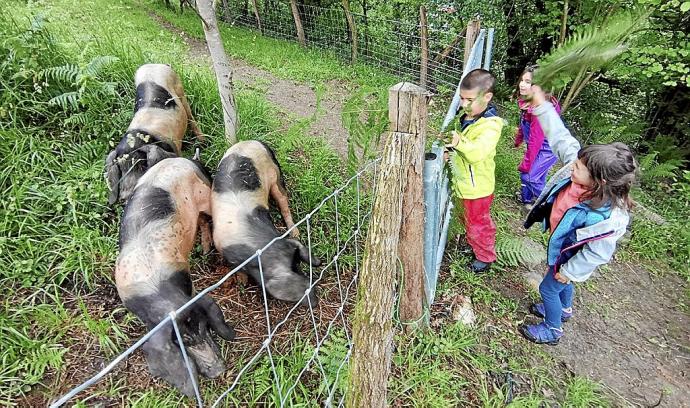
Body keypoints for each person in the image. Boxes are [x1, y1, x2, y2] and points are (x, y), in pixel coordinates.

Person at [519, 85, 637, 345]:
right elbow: (560, 137)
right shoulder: (580, 170)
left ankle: (552, 329)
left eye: (579, 167)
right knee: (559, 277)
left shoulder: (605, 219)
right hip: (562, 246)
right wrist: (540, 105)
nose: (572, 166)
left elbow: (597, 253)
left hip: (571, 254)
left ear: (600, 181)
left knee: (549, 286)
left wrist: (571, 271)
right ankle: (564, 309)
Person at [445, 69, 504, 273]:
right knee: (468, 220)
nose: (463, 104)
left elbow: (477, 152)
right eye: (461, 98)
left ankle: (485, 257)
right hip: (464, 185)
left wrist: (458, 141)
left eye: (469, 99)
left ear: (487, 97)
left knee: (479, 224)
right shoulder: (470, 116)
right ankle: (474, 244)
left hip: (477, 189)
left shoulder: (491, 127)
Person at [514, 66, 561, 211]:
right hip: (538, 146)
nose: (522, 84)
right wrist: (519, 138)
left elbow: (536, 140)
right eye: (522, 80)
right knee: (536, 176)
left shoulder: (540, 111)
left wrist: (526, 164)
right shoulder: (528, 102)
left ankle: (555, 206)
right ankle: (527, 200)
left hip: (548, 149)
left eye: (528, 82)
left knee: (530, 176)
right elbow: (524, 123)